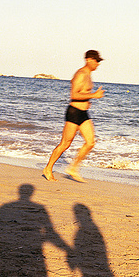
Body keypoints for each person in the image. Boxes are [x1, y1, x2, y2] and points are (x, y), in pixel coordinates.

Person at [43, 50, 104, 183]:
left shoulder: (88, 74)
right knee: (65, 143)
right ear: (89, 60)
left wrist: (87, 101)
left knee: (90, 142)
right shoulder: (81, 74)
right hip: (74, 112)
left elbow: (82, 93)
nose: (98, 64)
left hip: (83, 113)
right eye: (96, 61)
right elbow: (74, 95)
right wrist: (93, 95)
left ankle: (73, 168)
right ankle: (48, 168)